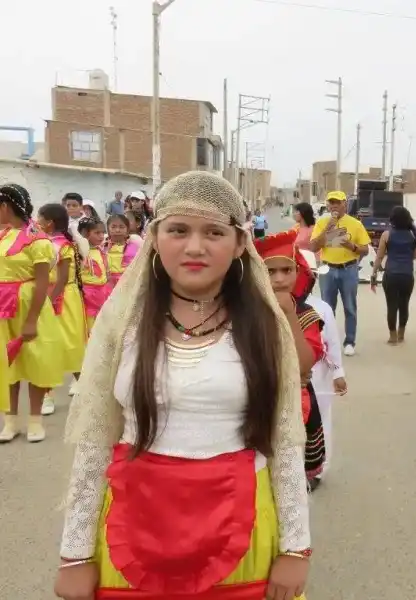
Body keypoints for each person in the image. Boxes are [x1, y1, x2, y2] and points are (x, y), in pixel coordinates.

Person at [54, 171, 313, 600]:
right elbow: (96, 441)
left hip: (242, 523)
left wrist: (295, 548)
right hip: (133, 525)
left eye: (214, 231)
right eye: (178, 230)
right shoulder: (124, 322)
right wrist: (75, 555)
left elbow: (285, 441)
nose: (195, 247)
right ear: (155, 238)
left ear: (239, 244)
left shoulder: (264, 326)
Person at [253, 231, 327, 490]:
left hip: (296, 402)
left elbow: (305, 364)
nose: (279, 279)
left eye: (287, 270)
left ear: (299, 272)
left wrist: (289, 315)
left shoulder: (306, 315)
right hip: (254, 400)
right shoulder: (246, 312)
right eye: (270, 272)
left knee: (289, 476)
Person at [0, 184, 65, 443]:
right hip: (4, 308)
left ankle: (35, 420)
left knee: (36, 358)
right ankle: (11, 420)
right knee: (7, 361)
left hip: (29, 304)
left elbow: (41, 283)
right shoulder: (2, 236)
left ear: (5, 207)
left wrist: (31, 319)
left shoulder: (37, 240)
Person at [36, 203, 87, 416]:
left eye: (40, 218)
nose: (36, 222)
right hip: (45, 294)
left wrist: (48, 300)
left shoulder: (65, 245)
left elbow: (63, 278)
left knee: (72, 344)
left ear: (49, 222)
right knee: (47, 345)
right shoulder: (38, 243)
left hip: (65, 296)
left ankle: (84, 387)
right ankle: (47, 395)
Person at [308, 190, 371, 357]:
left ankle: (349, 342)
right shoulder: (322, 222)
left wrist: (353, 247)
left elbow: (365, 248)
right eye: (331, 203)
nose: (334, 205)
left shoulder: (355, 224)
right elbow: (314, 247)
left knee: (350, 307)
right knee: (327, 307)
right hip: (328, 269)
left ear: (345, 204)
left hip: (348, 269)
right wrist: (327, 230)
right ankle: (329, 341)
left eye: (337, 202)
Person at [306, 265, 347, 484]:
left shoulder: (322, 308)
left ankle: (319, 468)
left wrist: (338, 373)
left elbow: (332, 342)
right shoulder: (275, 304)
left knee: (320, 418)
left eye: (313, 275)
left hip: (319, 373)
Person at [372, 206, 416, 344]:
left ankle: (392, 336)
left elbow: (379, 256)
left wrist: (374, 272)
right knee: (404, 305)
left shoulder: (386, 234)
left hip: (391, 274)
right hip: (407, 275)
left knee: (391, 305)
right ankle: (401, 334)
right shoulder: (413, 234)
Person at [105, 214, 143, 288]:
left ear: (127, 230)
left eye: (121, 227)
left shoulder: (134, 248)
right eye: (113, 227)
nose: (117, 230)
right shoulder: (103, 247)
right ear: (108, 229)